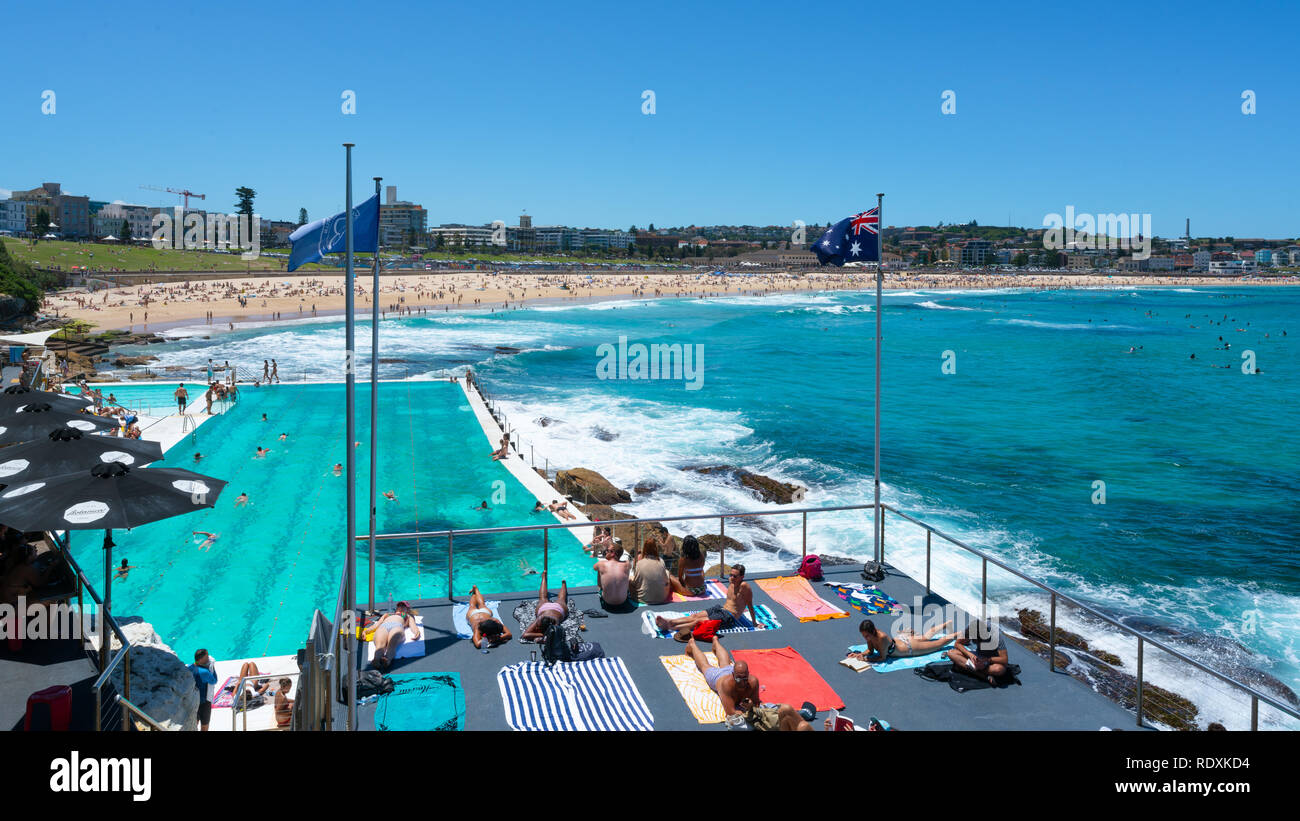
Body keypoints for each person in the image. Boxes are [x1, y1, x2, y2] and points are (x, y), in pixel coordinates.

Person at [655, 564, 756, 638]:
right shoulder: (731, 582)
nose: (731, 578)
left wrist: (754, 623)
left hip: (729, 617)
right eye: (730, 575)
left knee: (698, 622)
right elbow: (736, 601)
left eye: (735, 576)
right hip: (721, 608)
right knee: (695, 616)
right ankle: (670, 621)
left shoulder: (744, 586)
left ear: (742, 577)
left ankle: (670, 627)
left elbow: (750, 605)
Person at [684, 636, 760, 718]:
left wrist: (752, 705)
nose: (742, 682)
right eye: (738, 679)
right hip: (717, 677)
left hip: (729, 669)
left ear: (748, 674)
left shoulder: (753, 681)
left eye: (745, 679)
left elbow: (756, 703)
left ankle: (715, 641)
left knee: (725, 663)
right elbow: (731, 712)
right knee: (705, 666)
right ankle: (692, 645)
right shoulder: (726, 685)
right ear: (733, 675)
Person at [850, 618, 960, 662]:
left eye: (866, 636)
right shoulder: (870, 635)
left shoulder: (881, 637)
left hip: (909, 648)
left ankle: (959, 634)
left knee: (938, 644)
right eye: (864, 636)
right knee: (926, 638)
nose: (865, 638)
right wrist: (859, 654)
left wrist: (866, 660)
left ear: (872, 631)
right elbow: (870, 651)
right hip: (903, 639)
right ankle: (946, 624)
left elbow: (882, 657)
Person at [370, 602, 419, 671]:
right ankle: (376, 659)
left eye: (403, 606)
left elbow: (413, 625)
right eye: (399, 605)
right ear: (396, 608)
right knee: (380, 645)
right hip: (383, 626)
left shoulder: (407, 616)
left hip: (397, 626)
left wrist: (416, 632)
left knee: (392, 645)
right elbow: (376, 625)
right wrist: (366, 631)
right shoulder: (387, 615)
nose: (401, 607)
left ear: (407, 609)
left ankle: (387, 660)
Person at [522, 574, 569, 641]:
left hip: (555, 609)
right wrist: (543, 634)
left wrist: (541, 634)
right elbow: (555, 635)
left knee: (544, 597)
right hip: (552, 609)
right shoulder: (554, 622)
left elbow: (525, 635)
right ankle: (563, 584)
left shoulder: (539, 620)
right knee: (560, 599)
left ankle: (544, 578)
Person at [189, 649, 218, 731]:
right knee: (205, 725)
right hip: (204, 702)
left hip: (192, 701)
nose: (208, 658)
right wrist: (212, 667)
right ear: (201, 659)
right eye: (207, 657)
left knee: (194, 723)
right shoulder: (204, 672)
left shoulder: (190, 668)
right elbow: (214, 680)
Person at [594, 543, 630, 607]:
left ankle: (600, 589)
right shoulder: (627, 564)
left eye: (607, 550)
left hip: (607, 603)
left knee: (600, 571)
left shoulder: (601, 564)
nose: (606, 552)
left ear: (613, 553)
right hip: (623, 602)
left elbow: (594, 567)